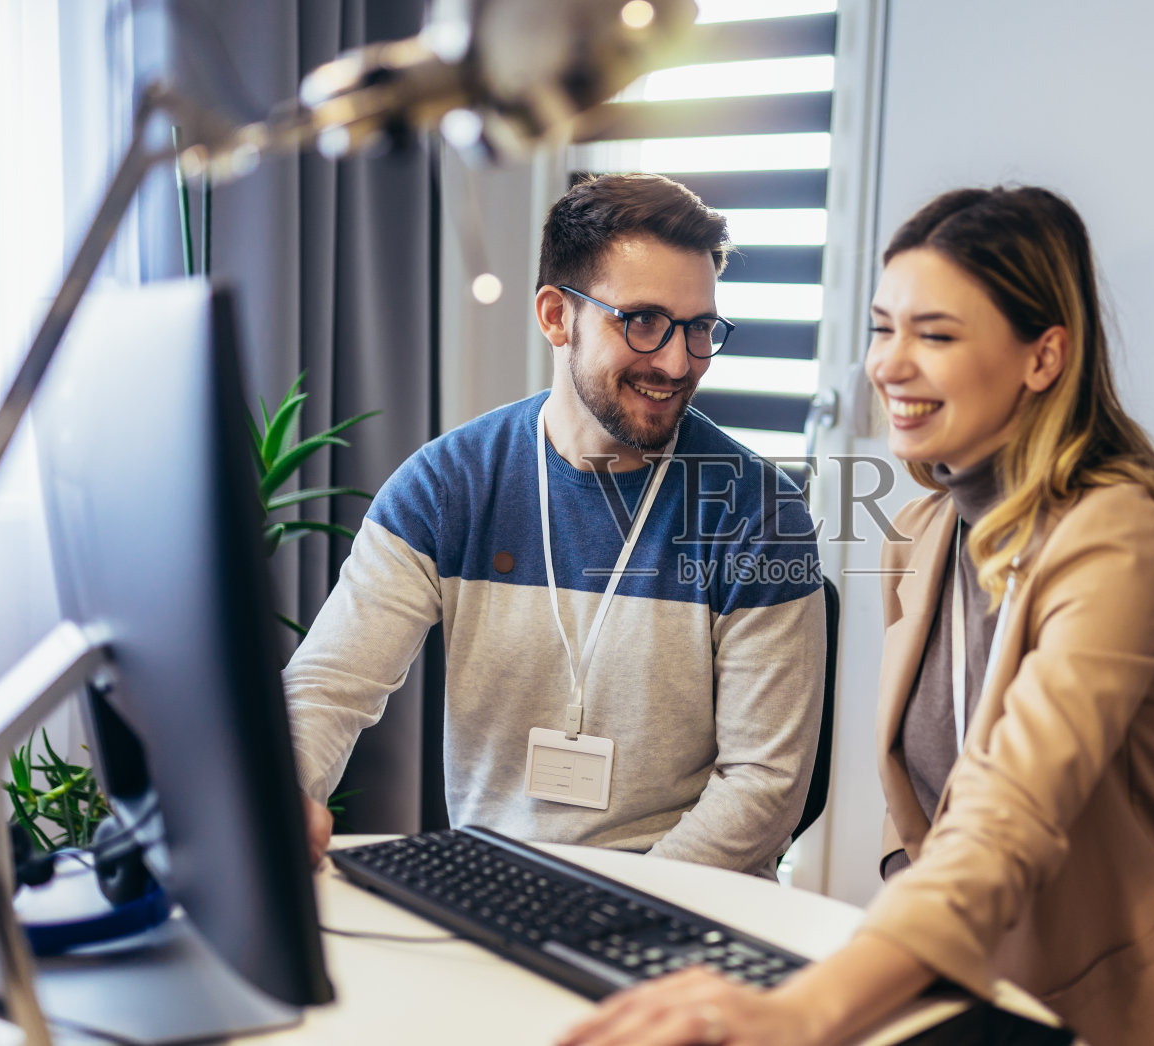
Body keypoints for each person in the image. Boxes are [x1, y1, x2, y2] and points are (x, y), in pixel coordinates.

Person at [558, 186, 1154, 1046]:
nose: (889, 364)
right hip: (966, 987)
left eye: (934, 334)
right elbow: (923, 817)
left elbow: (1006, 815)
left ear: (1044, 357)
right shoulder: (926, 534)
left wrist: (809, 1010)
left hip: (1115, 1012)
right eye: (883, 327)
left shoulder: (1125, 536)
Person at [286, 173, 826, 880]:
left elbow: (763, 788)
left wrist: (615, 906)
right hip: (492, 890)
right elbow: (328, 687)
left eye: (699, 329)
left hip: (688, 905)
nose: (676, 361)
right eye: (642, 321)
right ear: (554, 316)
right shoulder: (447, 486)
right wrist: (284, 790)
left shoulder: (757, 512)